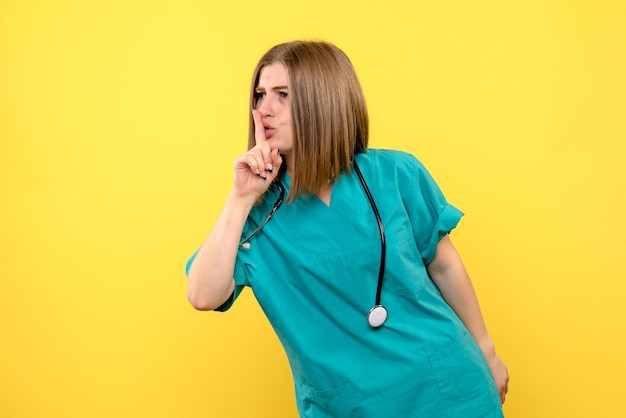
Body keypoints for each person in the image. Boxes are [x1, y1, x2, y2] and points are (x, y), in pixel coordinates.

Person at [185, 40, 509, 417]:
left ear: (323, 99)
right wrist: (240, 199)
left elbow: (444, 266)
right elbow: (203, 295)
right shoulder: (257, 217)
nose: (264, 109)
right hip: (348, 405)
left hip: (447, 390)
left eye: (283, 94)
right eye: (259, 95)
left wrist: (487, 350)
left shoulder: (394, 174)